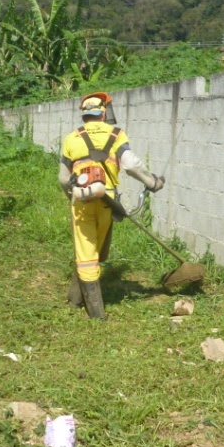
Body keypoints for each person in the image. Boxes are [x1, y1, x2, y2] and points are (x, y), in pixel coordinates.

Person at [58, 92, 164, 319]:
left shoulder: (72, 138)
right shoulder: (116, 134)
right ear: (103, 113)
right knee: (93, 249)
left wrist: (72, 199)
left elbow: (62, 179)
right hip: (107, 201)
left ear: (85, 115)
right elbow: (131, 164)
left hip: (82, 201)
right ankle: (78, 300)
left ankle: (95, 313)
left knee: (87, 252)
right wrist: (152, 182)